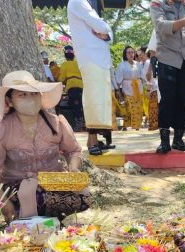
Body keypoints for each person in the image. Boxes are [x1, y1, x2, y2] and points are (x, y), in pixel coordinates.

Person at [0, 71, 91, 222]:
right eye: (22, 95)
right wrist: (4, 203)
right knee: (41, 197)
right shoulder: (0, 130)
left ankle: (45, 218)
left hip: (52, 181)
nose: (30, 99)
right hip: (15, 187)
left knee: (85, 197)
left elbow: (73, 151)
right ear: (9, 101)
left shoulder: (56, 123)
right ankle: (31, 215)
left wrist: (74, 168)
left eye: (34, 94)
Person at [150, 0, 185, 153]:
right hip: (167, 58)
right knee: (167, 100)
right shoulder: (158, 4)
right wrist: (184, 21)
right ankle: (164, 141)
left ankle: (178, 139)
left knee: (184, 99)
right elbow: (160, 26)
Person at [67, 0, 115, 155]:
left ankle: (92, 140)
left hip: (99, 58)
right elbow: (103, 27)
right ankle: (93, 140)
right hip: (91, 57)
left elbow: (109, 34)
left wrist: (105, 32)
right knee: (93, 99)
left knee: (101, 100)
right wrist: (104, 30)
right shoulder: (77, 1)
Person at [116, 46, 145, 131]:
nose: (131, 54)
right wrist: (118, 91)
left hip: (138, 88)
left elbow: (143, 77)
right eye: (129, 52)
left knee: (138, 107)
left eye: (132, 52)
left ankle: (137, 126)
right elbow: (118, 80)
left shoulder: (138, 64)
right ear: (125, 54)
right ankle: (126, 125)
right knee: (129, 108)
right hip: (127, 88)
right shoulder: (121, 65)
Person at [58, 45, 85, 131]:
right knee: (82, 105)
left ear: (65, 55)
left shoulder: (64, 64)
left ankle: (79, 126)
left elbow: (61, 78)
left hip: (72, 86)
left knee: (75, 106)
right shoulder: (79, 63)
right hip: (81, 85)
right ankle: (84, 124)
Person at [143, 50, 159, 131]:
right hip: (154, 89)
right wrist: (148, 90)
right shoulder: (148, 62)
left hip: (162, 88)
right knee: (154, 109)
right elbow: (147, 76)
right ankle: (154, 126)